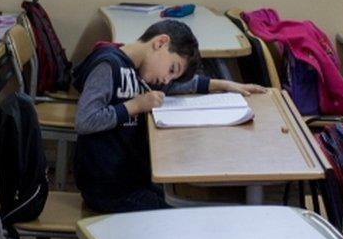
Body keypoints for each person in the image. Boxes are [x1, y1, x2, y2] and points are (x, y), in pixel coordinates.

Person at [72, 19, 265, 213]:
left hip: (129, 180)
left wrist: (224, 85)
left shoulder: (138, 71)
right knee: (177, 217)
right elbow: (85, 120)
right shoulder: (109, 65)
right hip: (107, 189)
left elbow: (176, 86)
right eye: (172, 69)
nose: (166, 79)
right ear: (160, 43)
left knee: (173, 201)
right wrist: (135, 105)